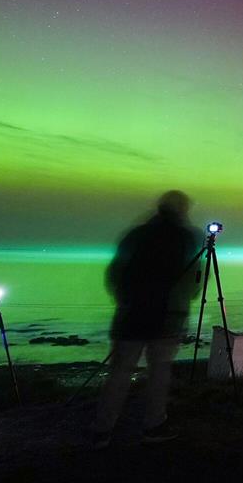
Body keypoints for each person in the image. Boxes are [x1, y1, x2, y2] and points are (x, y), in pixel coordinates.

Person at [90, 190, 202, 449]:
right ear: (183, 210)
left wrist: (124, 300)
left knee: (119, 373)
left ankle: (102, 430)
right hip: (167, 318)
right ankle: (153, 425)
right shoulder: (187, 238)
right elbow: (194, 280)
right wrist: (180, 303)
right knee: (159, 372)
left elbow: (114, 273)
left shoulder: (135, 235)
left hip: (130, 315)